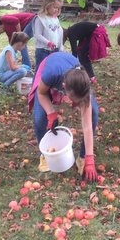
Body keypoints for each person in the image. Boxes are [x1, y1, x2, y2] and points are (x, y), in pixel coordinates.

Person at [27, 52, 99, 181]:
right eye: (74, 101)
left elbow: (87, 125)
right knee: (39, 118)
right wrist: (51, 113)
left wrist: (90, 158)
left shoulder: (83, 83)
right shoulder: (50, 74)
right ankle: (46, 155)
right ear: (64, 88)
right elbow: (41, 93)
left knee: (93, 112)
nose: (75, 105)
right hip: (50, 67)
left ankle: (82, 157)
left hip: (70, 73)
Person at [33, 0, 64, 74]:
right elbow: (37, 35)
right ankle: (36, 83)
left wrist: (60, 46)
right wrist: (48, 42)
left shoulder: (55, 19)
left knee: (52, 72)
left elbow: (59, 33)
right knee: (40, 72)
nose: (56, 10)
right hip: (43, 51)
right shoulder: (40, 18)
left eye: (58, 8)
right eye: (54, 7)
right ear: (47, 5)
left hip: (54, 50)